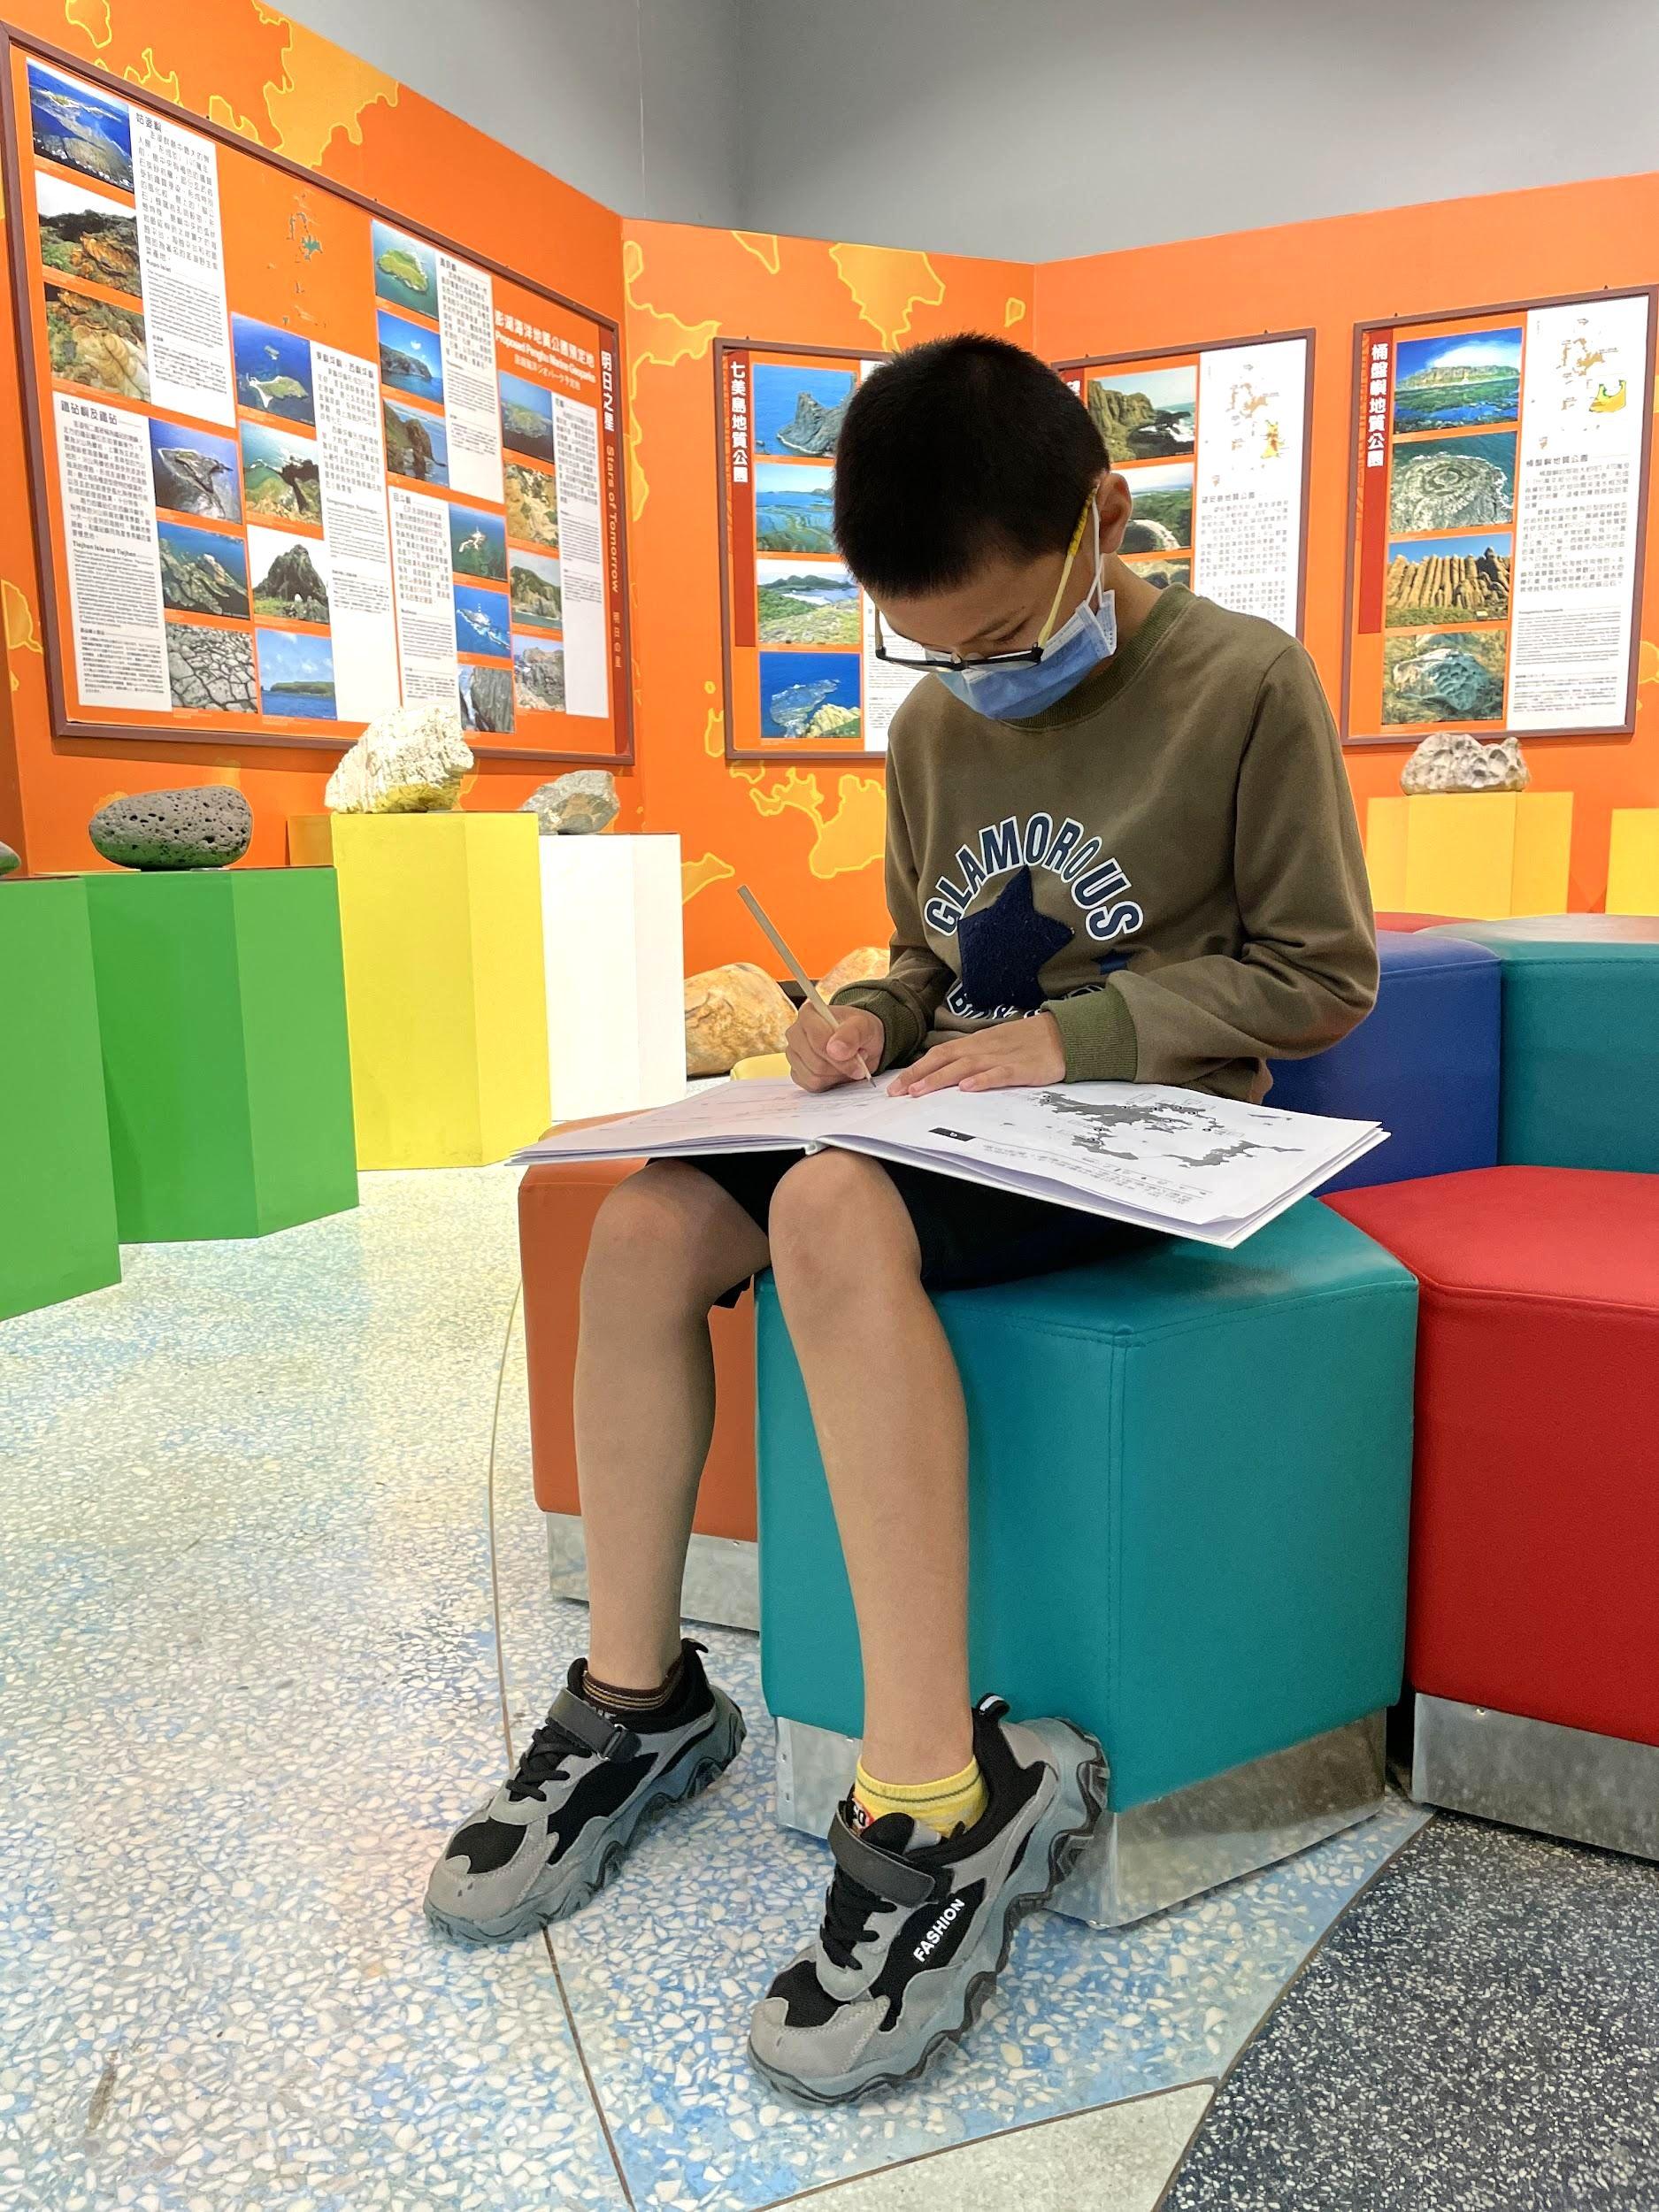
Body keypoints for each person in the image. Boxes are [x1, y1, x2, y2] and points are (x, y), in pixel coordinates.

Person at [426, 334, 1379, 2103]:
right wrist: (865, 1010)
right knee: (641, 1226)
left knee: (830, 1209)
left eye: (1007, 634)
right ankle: (636, 1703)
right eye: (936, 652)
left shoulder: (1246, 681)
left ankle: (942, 1799)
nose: (977, 680)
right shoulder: (937, 721)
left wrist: (1080, 1035)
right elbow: (934, 954)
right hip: (952, 1109)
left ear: (1107, 519)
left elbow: (1320, 975)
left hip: (1139, 1133)